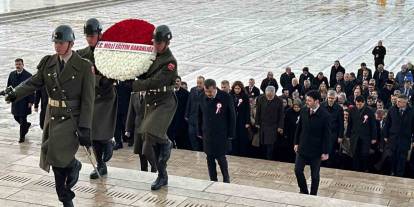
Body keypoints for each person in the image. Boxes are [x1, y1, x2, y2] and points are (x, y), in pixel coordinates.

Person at [5, 25, 94, 207]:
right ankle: (67, 191)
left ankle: (68, 181)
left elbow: (88, 100)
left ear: (71, 43)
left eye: (61, 42)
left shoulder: (84, 66)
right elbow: (33, 82)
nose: (57, 46)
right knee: (54, 158)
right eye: (55, 42)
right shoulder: (49, 63)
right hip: (52, 116)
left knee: (56, 156)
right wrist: (15, 93)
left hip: (72, 118)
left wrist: (85, 127)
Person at [131, 25, 176, 191]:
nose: (155, 45)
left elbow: (155, 82)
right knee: (149, 141)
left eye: (158, 43)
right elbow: (144, 73)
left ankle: (167, 143)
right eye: (155, 42)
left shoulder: (170, 62)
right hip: (151, 101)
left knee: (151, 131)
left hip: (165, 101)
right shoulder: (153, 56)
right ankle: (161, 175)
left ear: (166, 43)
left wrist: (135, 84)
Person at [77, 18, 117, 180]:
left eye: (92, 36)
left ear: (99, 35)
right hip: (91, 96)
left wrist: (106, 79)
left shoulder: (109, 53)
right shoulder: (83, 54)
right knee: (92, 134)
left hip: (106, 96)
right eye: (87, 36)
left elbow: (116, 72)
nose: (90, 39)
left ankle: (109, 144)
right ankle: (101, 164)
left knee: (102, 131)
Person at [198, 79, 236, 183]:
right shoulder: (202, 96)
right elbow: (199, 115)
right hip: (207, 133)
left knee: (221, 157)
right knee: (209, 158)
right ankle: (213, 179)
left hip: (221, 133)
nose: (208, 94)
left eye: (210, 91)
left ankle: (226, 178)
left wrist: (231, 134)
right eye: (206, 91)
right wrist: (199, 131)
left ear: (215, 88)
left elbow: (232, 116)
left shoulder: (225, 97)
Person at [294, 90, 330, 196]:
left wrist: (326, 152)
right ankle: (304, 191)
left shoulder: (325, 115)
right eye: (306, 100)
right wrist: (296, 143)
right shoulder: (304, 110)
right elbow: (299, 128)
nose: (307, 102)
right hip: (303, 147)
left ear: (317, 101)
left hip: (316, 150)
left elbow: (327, 135)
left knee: (315, 176)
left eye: (309, 100)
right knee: (298, 170)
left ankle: (313, 195)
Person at [384, 95, 414, 176]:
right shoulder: (392, 109)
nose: (396, 102)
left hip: (405, 140)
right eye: (397, 101)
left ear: (405, 102)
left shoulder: (412, 111)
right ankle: (392, 173)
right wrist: (385, 136)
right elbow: (387, 124)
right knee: (392, 158)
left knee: (401, 159)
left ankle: (399, 176)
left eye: (399, 101)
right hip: (393, 139)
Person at [126, 92, 156, 172]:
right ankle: (143, 170)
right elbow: (131, 112)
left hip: (149, 127)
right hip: (138, 127)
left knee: (148, 149)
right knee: (140, 150)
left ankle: (154, 167)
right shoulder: (133, 95)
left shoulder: (152, 94)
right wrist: (128, 129)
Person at [346, 96, 377, 172]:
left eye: (360, 104)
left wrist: (374, 137)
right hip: (355, 135)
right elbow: (350, 123)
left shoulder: (369, 111)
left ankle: (364, 169)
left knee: (364, 154)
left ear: (363, 103)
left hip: (365, 136)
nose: (358, 106)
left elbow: (373, 125)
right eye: (357, 104)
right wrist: (348, 135)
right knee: (355, 153)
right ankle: (355, 169)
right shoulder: (352, 110)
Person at [6, 58, 34, 143]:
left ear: (23, 65)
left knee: (22, 118)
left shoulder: (28, 75)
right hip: (15, 100)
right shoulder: (12, 74)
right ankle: (27, 125)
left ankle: (22, 137)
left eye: (19, 64)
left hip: (24, 101)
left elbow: (32, 89)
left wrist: (31, 101)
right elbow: (9, 87)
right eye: (16, 64)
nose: (17, 66)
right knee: (16, 116)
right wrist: (8, 98)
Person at [255, 86, 284, 160]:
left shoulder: (279, 101)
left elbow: (281, 115)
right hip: (263, 125)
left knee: (270, 144)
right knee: (263, 143)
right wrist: (257, 122)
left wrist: (280, 126)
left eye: (271, 96)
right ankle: (263, 158)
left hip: (273, 126)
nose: (269, 97)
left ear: (274, 93)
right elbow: (258, 111)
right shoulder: (261, 99)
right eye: (267, 95)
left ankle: (269, 160)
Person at [321, 90, 344, 168]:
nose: (330, 100)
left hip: (333, 134)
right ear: (327, 97)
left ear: (335, 98)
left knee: (330, 151)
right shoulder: (321, 105)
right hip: (322, 133)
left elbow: (341, 123)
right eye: (329, 98)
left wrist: (340, 136)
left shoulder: (339, 108)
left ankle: (329, 167)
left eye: (332, 98)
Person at [167, 76, 190, 149]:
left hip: (181, 121)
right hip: (170, 121)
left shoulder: (186, 93)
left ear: (180, 82)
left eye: (178, 81)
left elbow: (188, 107)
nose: (176, 83)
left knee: (181, 143)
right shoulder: (168, 92)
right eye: (175, 81)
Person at [230, 81, 250, 156]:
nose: (237, 90)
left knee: (242, 137)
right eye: (236, 88)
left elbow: (247, 110)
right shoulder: (230, 95)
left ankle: (242, 153)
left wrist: (247, 122)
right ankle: (234, 152)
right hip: (233, 120)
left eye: (238, 88)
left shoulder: (244, 96)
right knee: (234, 137)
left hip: (242, 119)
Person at [185, 76, 205, 151]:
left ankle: (202, 151)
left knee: (200, 137)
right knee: (191, 135)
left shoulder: (206, 91)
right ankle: (195, 151)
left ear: (204, 83)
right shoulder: (193, 90)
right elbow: (189, 102)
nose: (199, 85)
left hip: (201, 119)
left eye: (200, 83)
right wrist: (186, 114)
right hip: (192, 117)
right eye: (197, 83)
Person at [114, 80, 132, 149]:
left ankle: (130, 139)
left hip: (126, 106)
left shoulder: (127, 80)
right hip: (117, 107)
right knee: (117, 126)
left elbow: (130, 90)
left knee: (126, 123)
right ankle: (118, 142)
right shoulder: (113, 80)